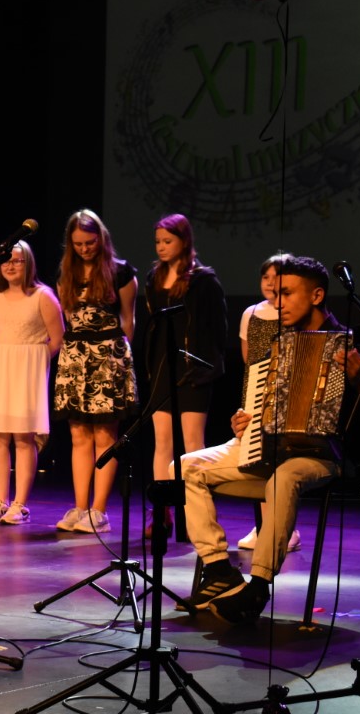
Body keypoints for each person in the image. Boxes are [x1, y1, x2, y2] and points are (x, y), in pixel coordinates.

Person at [177, 256, 360, 624]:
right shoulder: (277, 342)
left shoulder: (349, 345)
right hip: (267, 450)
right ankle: (219, 570)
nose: (277, 303)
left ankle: (258, 586)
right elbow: (260, 404)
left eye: (287, 294)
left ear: (316, 296)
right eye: (275, 294)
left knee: (286, 477)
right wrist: (245, 420)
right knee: (183, 468)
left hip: (321, 456)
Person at [51, 209, 138, 534]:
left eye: (90, 243)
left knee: (104, 434)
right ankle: (80, 506)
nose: (85, 249)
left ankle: (99, 511)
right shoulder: (66, 274)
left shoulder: (120, 272)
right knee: (78, 435)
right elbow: (67, 317)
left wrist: (118, 362)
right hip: (76, 359)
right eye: (78, 244)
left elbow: (128, 321)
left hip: (108, 358)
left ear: (101, 239)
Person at [142, 213, 227, 538]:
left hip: (193, 369)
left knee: (193, 444)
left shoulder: (203, 280)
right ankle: (162, 514)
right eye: (157, 242)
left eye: (168, 241)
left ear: (184, 240)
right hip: (163, 368)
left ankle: (197, 516)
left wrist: (209, 366)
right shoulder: (154, 277)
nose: (161, 247)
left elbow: (218, 328)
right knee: (162, 442)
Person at [0, 241, 64, 524]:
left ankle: (19, 504)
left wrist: (33, 362)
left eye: (17, 260)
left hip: (28, 371)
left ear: (29, 264)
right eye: (6, 260)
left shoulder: (42, 296)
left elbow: (57, 338)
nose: (10, 265)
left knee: (24, 438)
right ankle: (0, 501)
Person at [235, 252, 301, 553]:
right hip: (256, 393)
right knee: (257, 459)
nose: (270, 283)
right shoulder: (251, 313)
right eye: (266, 277)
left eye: (278, 278)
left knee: (281, 462)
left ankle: (288, 528)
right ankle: (263, 524)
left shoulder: (293, 314)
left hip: (284, 397)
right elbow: (247, 356)